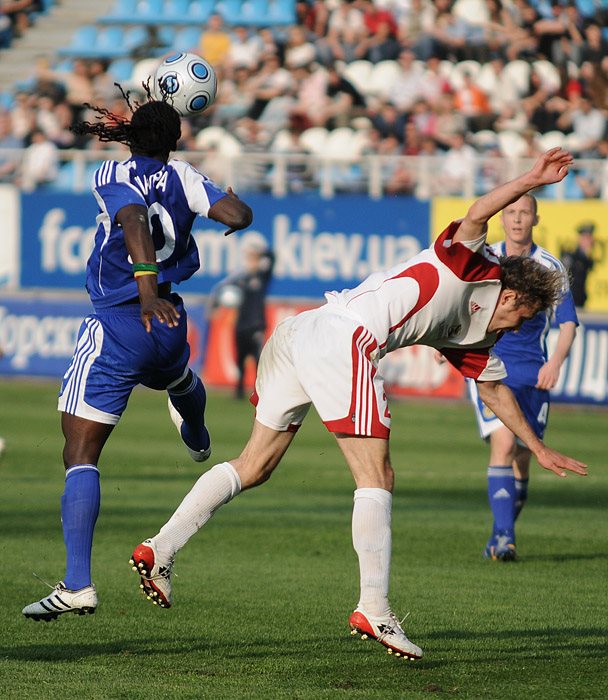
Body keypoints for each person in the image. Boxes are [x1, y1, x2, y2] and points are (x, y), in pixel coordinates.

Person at [129, 148, 586, 661]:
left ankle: (160, 548)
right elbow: (479, 211)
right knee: (377, 476)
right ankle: (374, 608)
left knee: (254, 465)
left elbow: (494, 390)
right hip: (344, 338)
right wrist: (531, 178)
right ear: (515, 296)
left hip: (302, 332)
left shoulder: (478, 336)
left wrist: (537, 448)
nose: (520, 328)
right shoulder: (471, 264)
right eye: (525, 317)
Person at [21, 87, 253, 622]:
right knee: (177, 376)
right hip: (169, 322)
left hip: (124, 320)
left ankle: (77, 584)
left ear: (129, 136)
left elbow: (132, 221)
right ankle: (197, 433)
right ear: (176, 139)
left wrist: (145, 291)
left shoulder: (113, 172)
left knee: (80, 454)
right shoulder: (186, 176)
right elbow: (239, 215)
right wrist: (232, 207)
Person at [467, 193, 578, 562]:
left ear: (536, 219)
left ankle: (500, 534)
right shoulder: (487, 258)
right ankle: (505, 539)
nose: (517, 219)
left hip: (533, 370)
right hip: (491, 364)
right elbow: (465, 304)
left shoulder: (549, 266)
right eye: (511, 212)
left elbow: (567, 324)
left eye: (524, 213)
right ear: (501, 219)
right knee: (503, 444)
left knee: (522, 455)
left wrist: (555, 363)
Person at [210, 241, 275, 399]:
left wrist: (260, 252)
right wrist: (215, 307)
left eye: (254, 259)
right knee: (240, 359)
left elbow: (273, 257)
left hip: (256, 325)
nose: (252, 263)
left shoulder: (262, 277)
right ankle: (238, 392)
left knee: (258, 360)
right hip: (241, 325)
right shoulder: (240, 279)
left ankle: (262, 392)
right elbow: (220, 290)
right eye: (250, 259)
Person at [561, 222, 595, 309]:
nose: (590, 241)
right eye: (587, 238)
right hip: (570, 301)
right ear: (580, 239)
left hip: (580, 300)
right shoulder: (571, 257)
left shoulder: (586, 258)